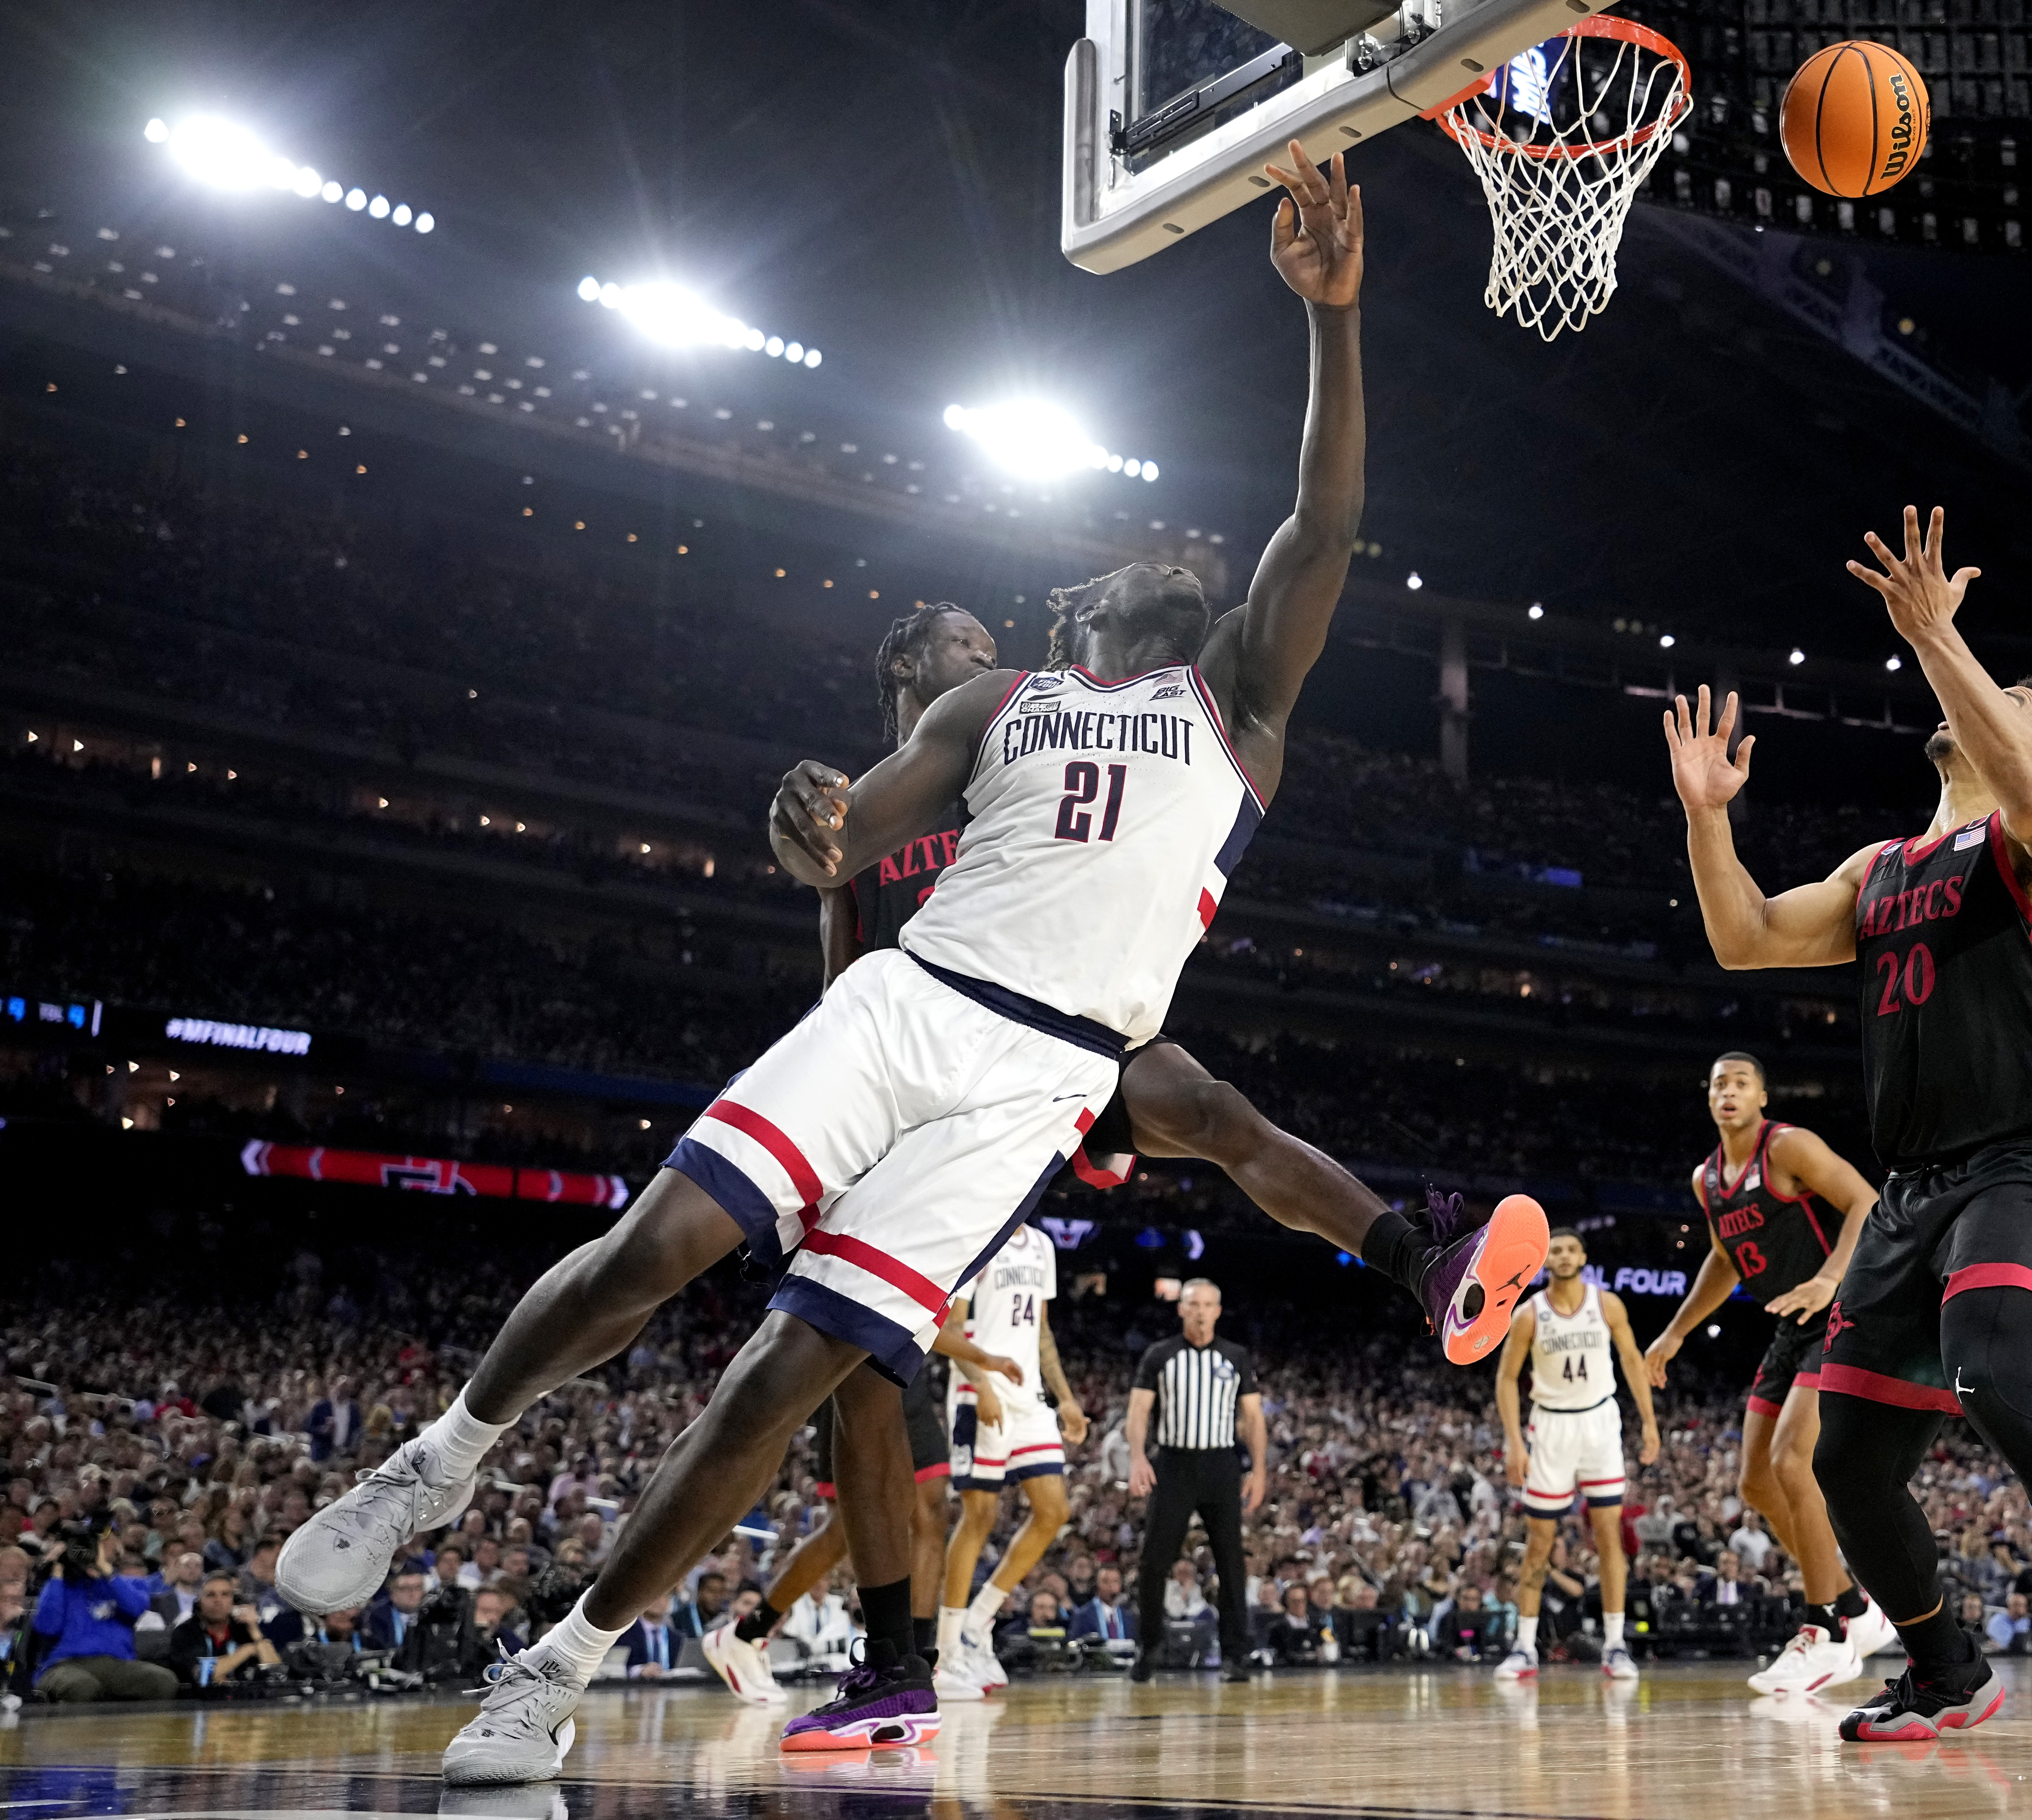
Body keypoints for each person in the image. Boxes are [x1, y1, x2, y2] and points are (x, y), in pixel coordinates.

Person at [279, 152, 1540, 1785]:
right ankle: (437, 1461)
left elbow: (1330, 519)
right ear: (1080, 601)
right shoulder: (993, 697)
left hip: (1047, 1072)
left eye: (1197, 554)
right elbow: (843, 841)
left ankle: (556, 1666)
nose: (1183, 551)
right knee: (649, 1248)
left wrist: (1336, 320)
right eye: (1146, 549)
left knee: (785, 1369)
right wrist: (805, 813)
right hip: (909, 1005)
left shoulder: (1244, 699)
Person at [1663, 504, 2032, 1760]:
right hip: (1914, 1189)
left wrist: (1936, 636)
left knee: (1993, 1371)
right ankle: (1943, 1667)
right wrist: (1709, 819)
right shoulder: (1882, 866)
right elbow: (1746, 939)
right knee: (1849, 1465)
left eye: (2010, 698)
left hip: (2023, 1162)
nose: (1982, 701)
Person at [1642, 1053, 1896, 1695]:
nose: (1727, 1091)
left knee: (1792, 1461)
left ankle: (1826, 1630)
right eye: (1717, 1083)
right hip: (1792, 1324)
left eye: (1739, 1082)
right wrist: (1675, 1331)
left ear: (1761, 1096)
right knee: (1755, 1483)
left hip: (1843, 1308)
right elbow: (1725, 1257)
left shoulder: (1786, 1145)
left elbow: (1866, 1201)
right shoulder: (1707, 1179)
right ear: (1708, 1099)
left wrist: (1828, 1276)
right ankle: (1856, 1607)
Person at [1493, 1229, 1660, 1682]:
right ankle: (1524, 1647)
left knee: (1610, 1537)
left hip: (1600, 1424)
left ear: (1583, 1257)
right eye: (1556, 1249)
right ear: (1544, 1258)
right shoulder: (1529, 1314)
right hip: (1550, 1427)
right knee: (1540, 1542)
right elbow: (1507, 1379)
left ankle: (1615, 1644)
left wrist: (1648, 1421)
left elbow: (1631, 1361)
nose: (1563, 1256)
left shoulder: (1607, 1305)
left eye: (1571, 1249)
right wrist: (1513, 1440)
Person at [933, 1221, 1086, 1701]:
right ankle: (947, 1653)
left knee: (1054, 1511)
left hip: (1028, 1396)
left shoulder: (1042, 1244)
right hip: (980, 1390)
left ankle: (978, 1624)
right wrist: (981, 1387)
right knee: (979, 1516)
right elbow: (952, 1329)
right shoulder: (974, 1234)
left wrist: (1064, 1397)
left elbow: (1041, 1332)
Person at [1125, 1278, 1265, 1684]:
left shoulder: (1235, 1356)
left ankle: (1237, 1654)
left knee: (1231, 1562)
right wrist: (1138, 1457)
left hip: (1221, 1464)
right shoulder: (1160, 1355)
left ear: (1218, 1311)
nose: (1201, 1311)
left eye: (1208, 1304)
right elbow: (1138, 1410)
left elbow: (1253, 1418)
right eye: (1193, 1304)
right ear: (1181, 1309)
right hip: (1174, 1464)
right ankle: (1148, 1647)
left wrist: (1259, 1470)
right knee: (1154, 1562)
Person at [32, 1528, 173, 1703]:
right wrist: (58, 1569)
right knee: (83, 1687)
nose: (90, 1550)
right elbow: (48, 1627)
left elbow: (137, 1608)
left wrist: (105, 1570)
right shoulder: (59, 1586)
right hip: (64, 1664)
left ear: (117, 1548)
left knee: (164, 1682)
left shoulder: (131, 1583)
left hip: (117, 1664)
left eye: (99, 1544)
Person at [166, 1574, 280, 1688]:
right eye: (211, 1595)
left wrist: (254, 1629)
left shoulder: (243, 1630)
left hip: (243, 1702)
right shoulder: (185, 1632)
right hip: (199, 1703)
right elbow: (204, 1676)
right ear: (199, 1602)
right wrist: (248, 1650)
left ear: (233, 1602)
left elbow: (277, 1672)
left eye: (225, 1595)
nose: (218, 1600)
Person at [1066, 1565, 1134, 1646]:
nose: (1111, 1586)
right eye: (1106, 1582)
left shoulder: (1129, 1617)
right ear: (1097, 1585)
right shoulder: (1083, 1616)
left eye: (1115, 1582)